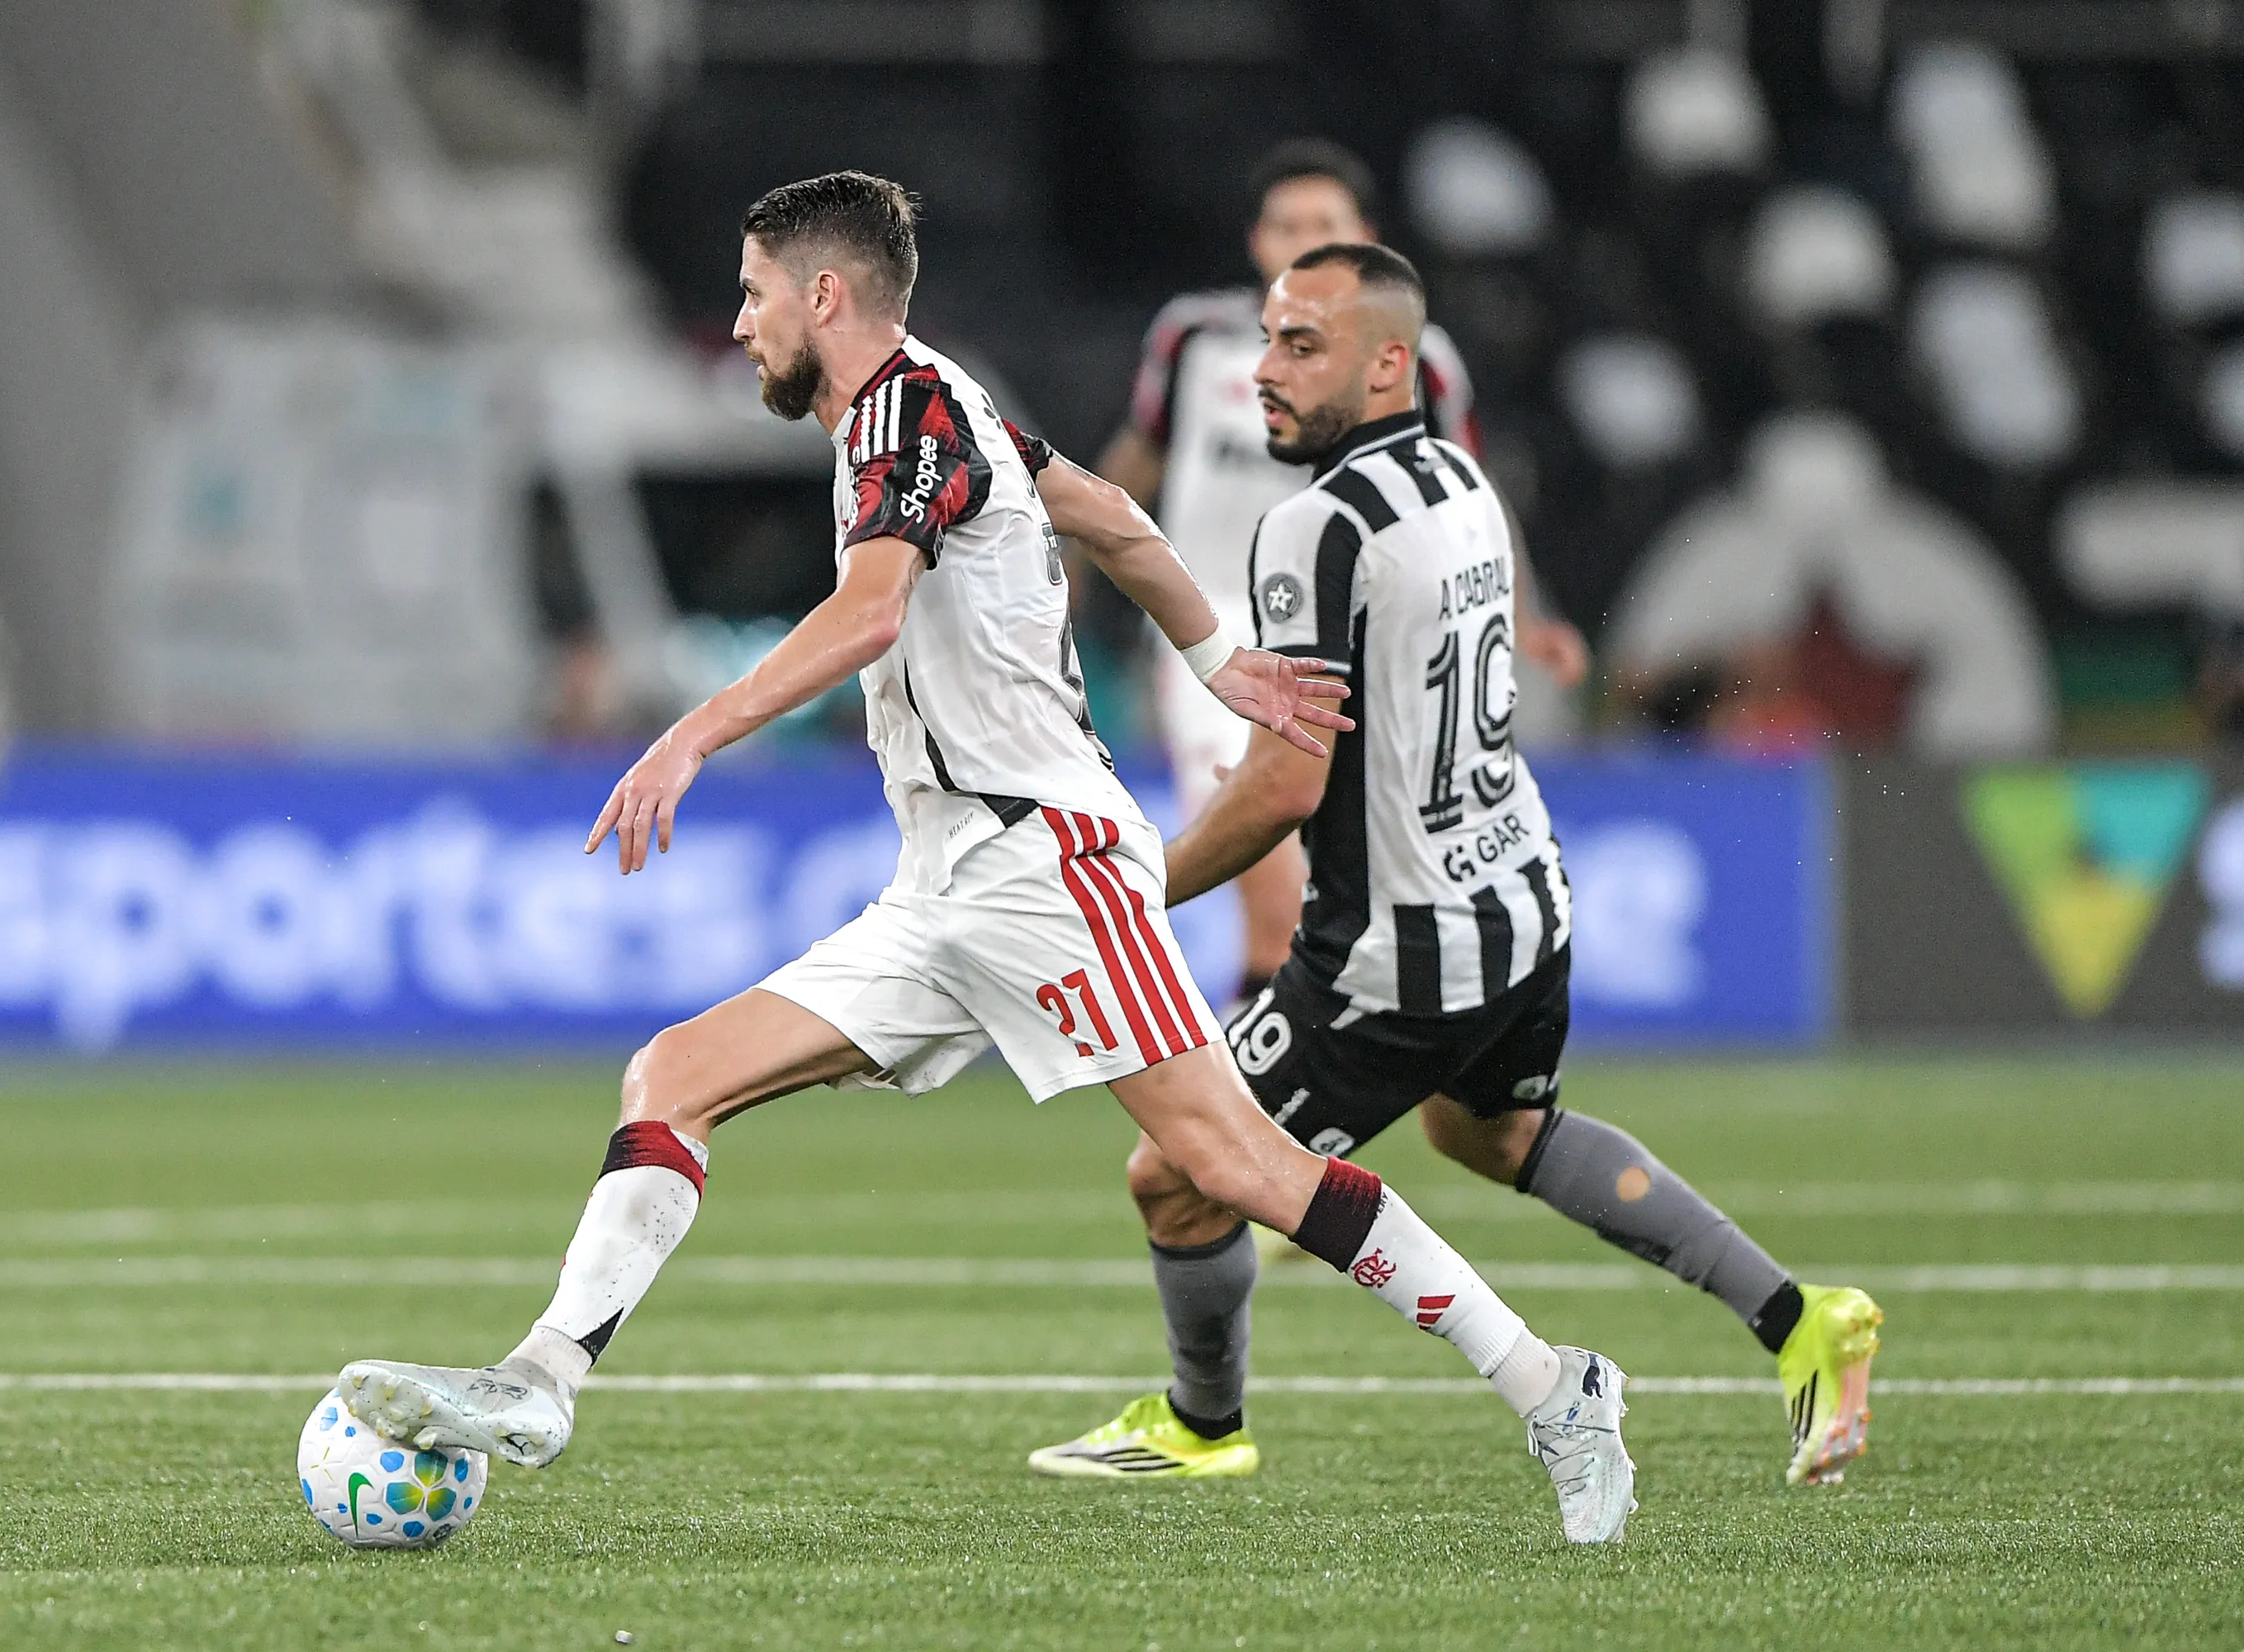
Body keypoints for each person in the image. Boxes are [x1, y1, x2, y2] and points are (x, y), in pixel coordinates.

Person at [337, 172, 1636, 1544]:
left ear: (824, 296)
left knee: (1237, 1164)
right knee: (675, 1073)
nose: (741, 322)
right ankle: (540, 1381)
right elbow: (1110, 515)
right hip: (946, 883)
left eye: (755, 294)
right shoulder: (945, 411)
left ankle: (1553, 1386)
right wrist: (1219, 660)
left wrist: (690, 736)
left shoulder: (909, 415)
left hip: (1048, 865)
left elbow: (869, 613)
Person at [1028, 244, 1882, 1491]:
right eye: (1266, 342)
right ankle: (1800, 1317)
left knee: (1177, 1174)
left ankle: (1203, 1424)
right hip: (1523, 900)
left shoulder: (1312, 527)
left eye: (1301, 346)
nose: (1264, 373)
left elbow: (1283, 787)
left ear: (1388, 364)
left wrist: (1126, 891)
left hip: (1403, 949)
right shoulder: (1463, 479)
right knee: (1495, 1133)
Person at [1098, 139, 1587, 1000]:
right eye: (1285, 225)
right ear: (1256, 240)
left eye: (1323, 224)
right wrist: (1064, 555)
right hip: (1213, 632)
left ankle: (1283, 1053)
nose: (1303, 241)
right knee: (1270, 895)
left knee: (1340, 894)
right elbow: (1141, 455)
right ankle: (1262, 1067)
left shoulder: (1416, 355)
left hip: (1366, 638)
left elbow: (1466, 491)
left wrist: (1523, 610)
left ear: (1365, 237)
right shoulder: (1194, 337)